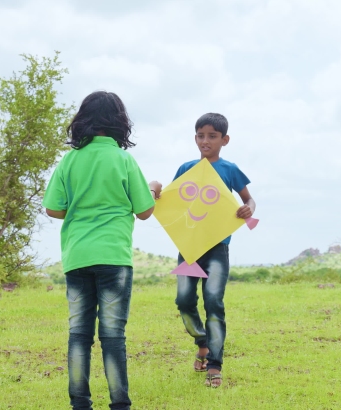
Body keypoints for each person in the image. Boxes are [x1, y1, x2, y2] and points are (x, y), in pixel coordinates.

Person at [43, 91, 162, 410]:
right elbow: (145, 210)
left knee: (79, 334)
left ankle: (80, 403)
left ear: (83, 120)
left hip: (77, 257)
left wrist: (82, 209)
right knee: (113, 336)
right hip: (114, 259)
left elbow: (53, 209)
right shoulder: (124, 160)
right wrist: (153, 189)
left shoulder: (69, 160)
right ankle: (119, 404)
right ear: (119, 123)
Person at [173, 112, 256, 388]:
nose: (205, 141)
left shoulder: (229, 169)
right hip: (189, 248)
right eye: (200, 135)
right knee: (184, 301)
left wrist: (248, 209)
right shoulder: (186, 168)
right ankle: (202, 342)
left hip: (218, 248)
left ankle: (215, 364)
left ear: (225, 140)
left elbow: (249, 200)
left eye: (211, 136)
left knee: (213, 302)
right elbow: (174, 202)